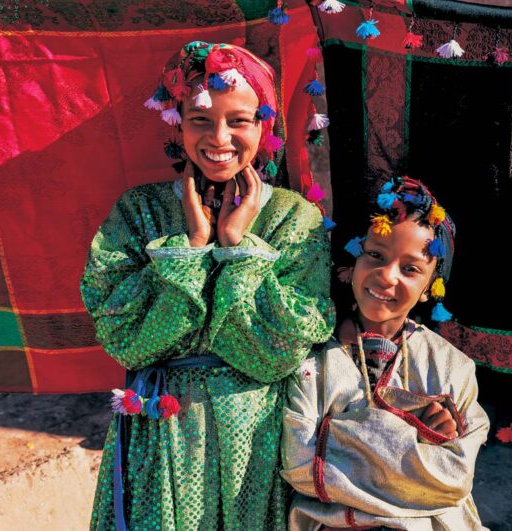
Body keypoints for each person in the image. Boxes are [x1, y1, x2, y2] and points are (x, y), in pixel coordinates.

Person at [81, 41, 335, 530]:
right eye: (201, 120)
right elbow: (127, 343)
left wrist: (237, 247)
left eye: (239, 120)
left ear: (265, 125)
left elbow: (275, 356)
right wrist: (193, 248)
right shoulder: (139, 213)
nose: (219, 137)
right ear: (178, 122)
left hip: (255, 433)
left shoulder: (294, 220)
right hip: (160, 430)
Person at [282, 176, 489, 531]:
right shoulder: (309, 358)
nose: (386, 276)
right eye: (375, 255)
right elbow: (301, 467)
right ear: (351, 262)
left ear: (430, 286)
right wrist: (414, 440)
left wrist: (335, 434)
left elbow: (453, 478)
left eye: (410, 269)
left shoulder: (454, 368)